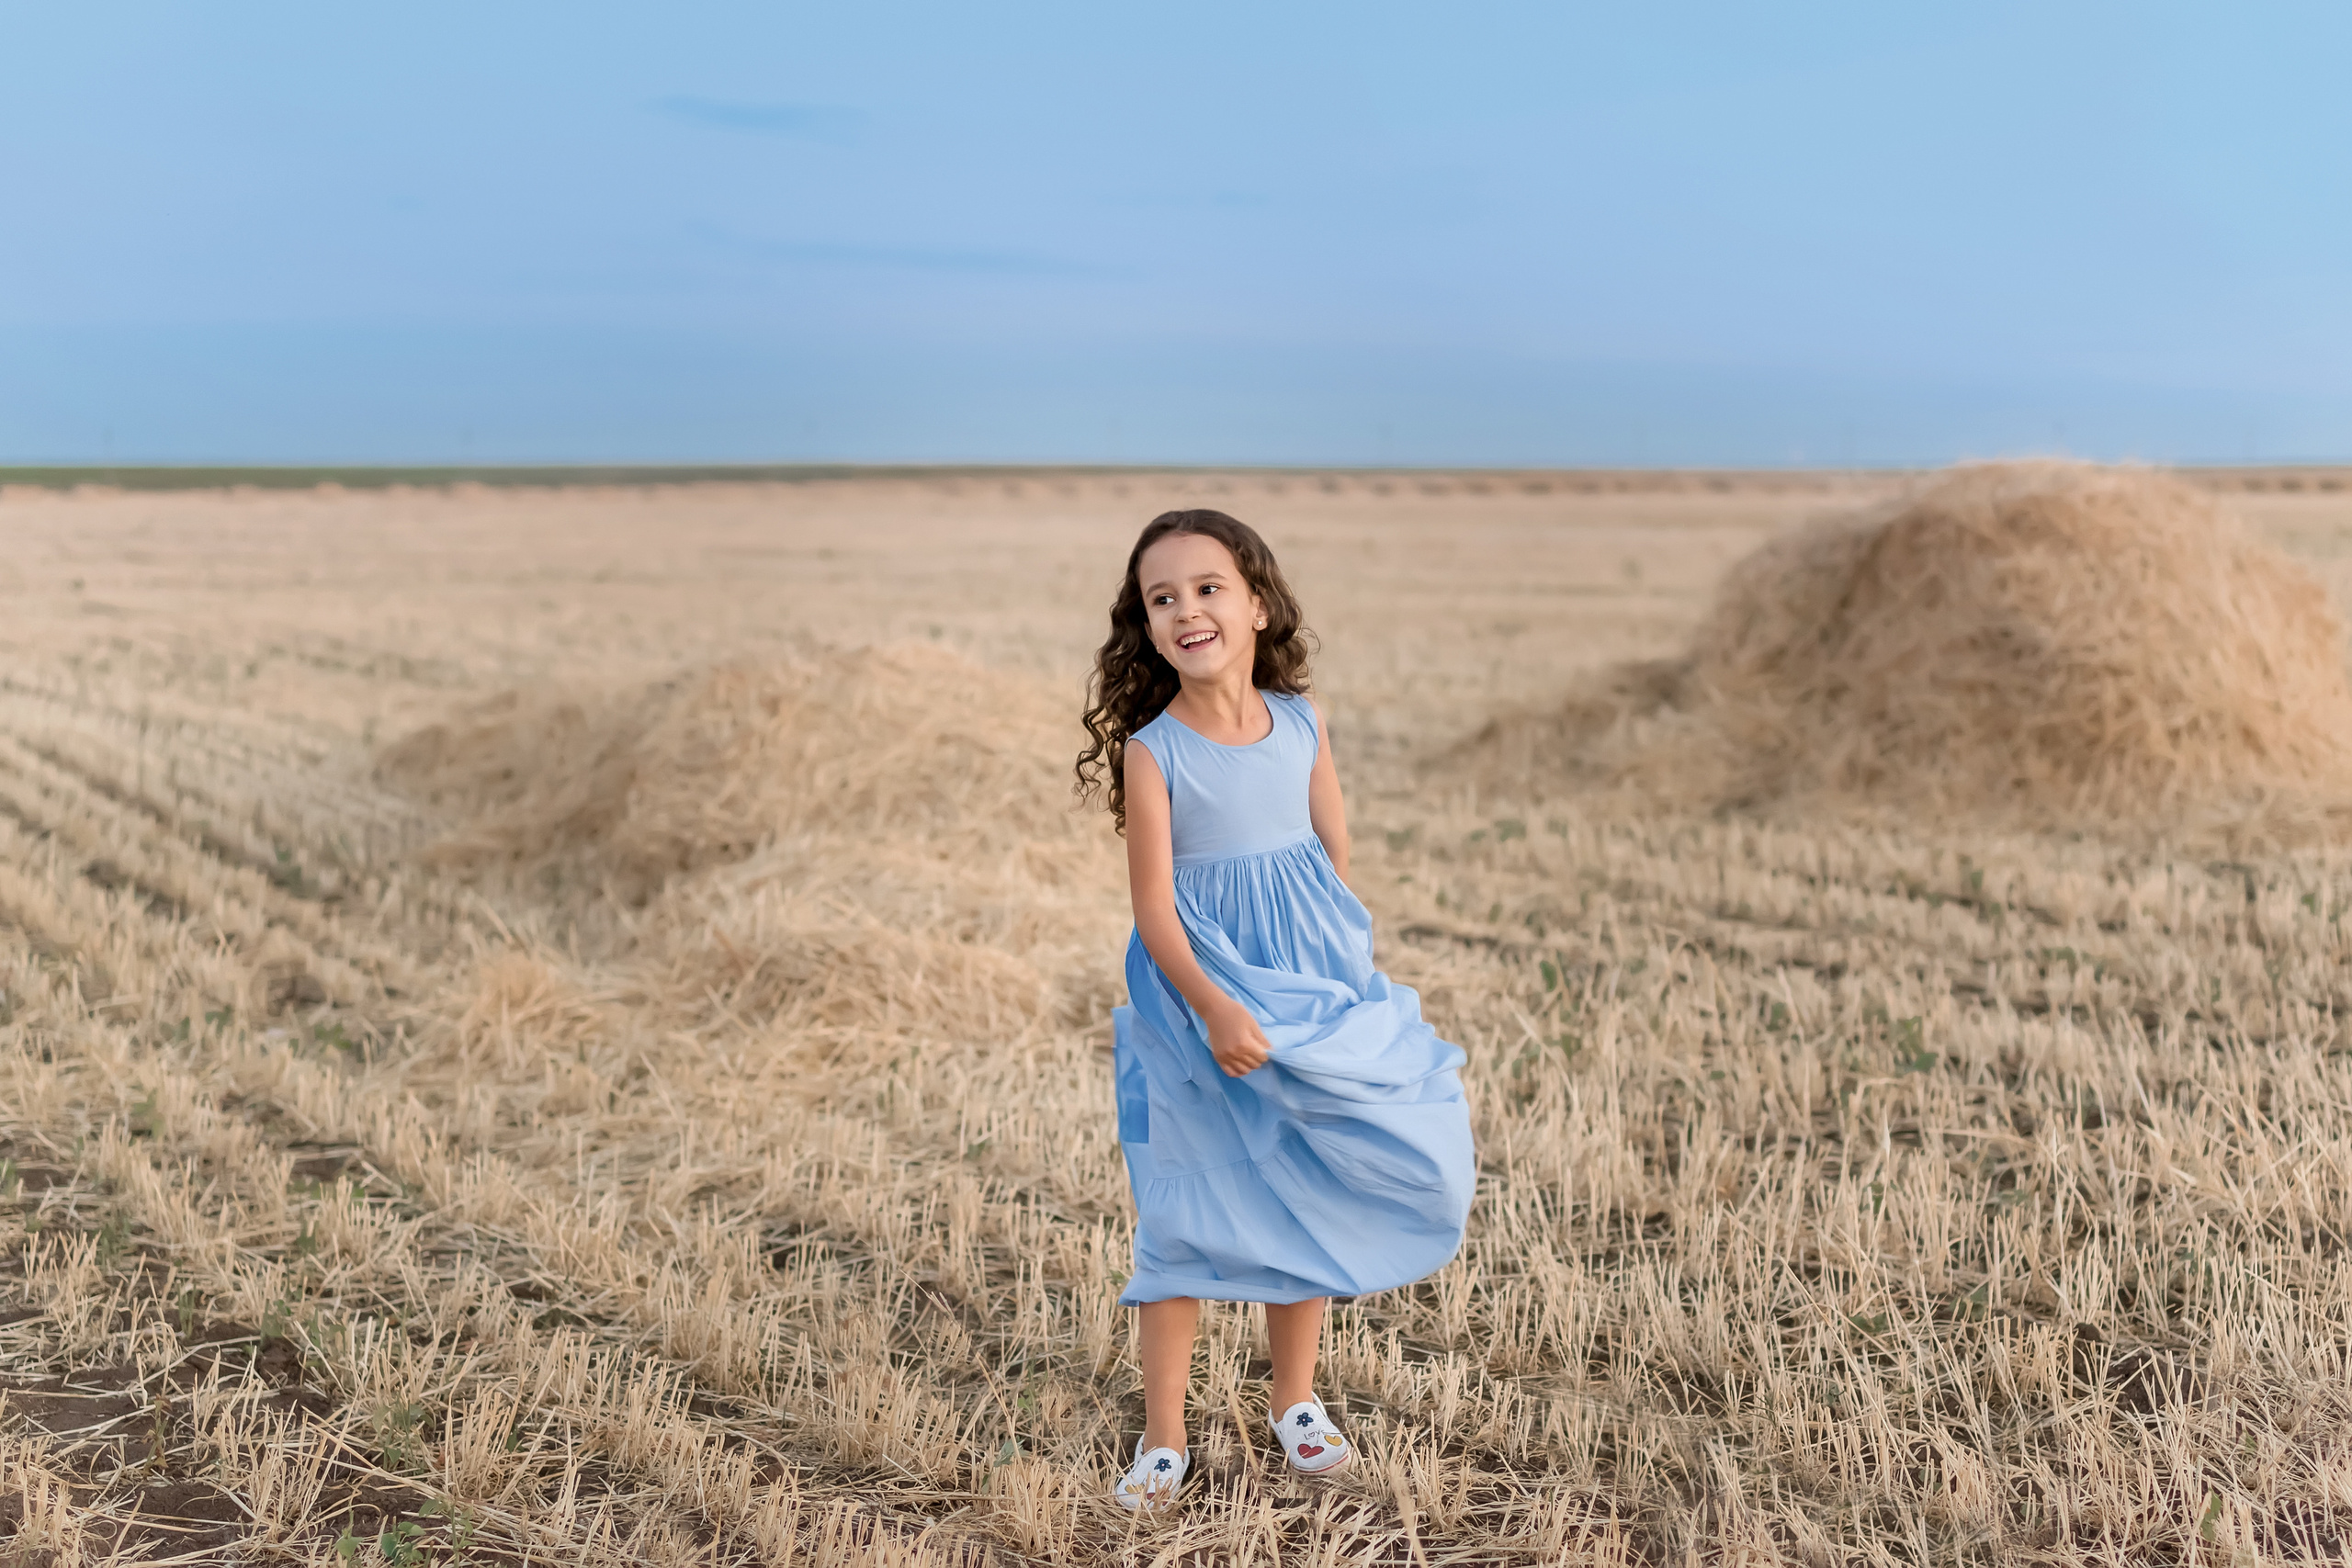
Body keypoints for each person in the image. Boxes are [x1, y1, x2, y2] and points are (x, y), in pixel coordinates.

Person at [1074, 508, 1476, 1512]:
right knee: (1182, 1209)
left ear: (1256, 604)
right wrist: (1212, 1005)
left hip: (1302, 985)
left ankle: (1293, 1401)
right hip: (1197, 996)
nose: (1185, 609)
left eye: (1207, 588)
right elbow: (1155, 909)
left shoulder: (1300, 721)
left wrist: (1329, 980)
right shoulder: (1154, 750)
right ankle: (1164, 1435)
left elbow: (1330, 857)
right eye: (1161, 598)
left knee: (1303, 1185)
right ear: (1147, 627)